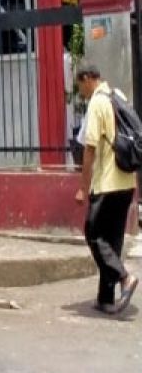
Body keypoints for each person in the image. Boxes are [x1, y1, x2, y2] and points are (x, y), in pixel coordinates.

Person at [74, 63, 139, 314]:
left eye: (81, 85)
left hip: (107, 183)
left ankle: (124, 278)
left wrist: (83, 187)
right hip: (127, 182)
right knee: (112, 240)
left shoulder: (97, 103)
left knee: (93, 233)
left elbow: (89, 149)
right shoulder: (119, 96)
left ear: (89, 79)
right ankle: (105, 298)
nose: (81, 91)